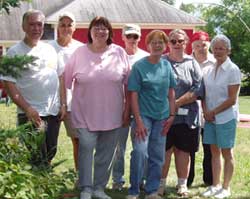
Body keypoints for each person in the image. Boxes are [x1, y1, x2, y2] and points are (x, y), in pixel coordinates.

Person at [63, 16, 130, 199]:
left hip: (113, 113)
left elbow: (129, 85)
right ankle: (86, 187)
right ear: (90, 31)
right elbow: (65, 79)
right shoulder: (79, 53)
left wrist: (127, 110)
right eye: (96, 28)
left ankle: (99, 188)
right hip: (84, 113)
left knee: (106, 153)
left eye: (104, 28)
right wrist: (63, 104)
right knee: (86, 147)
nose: (100, 31)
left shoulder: (119, 52)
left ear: (109, 32)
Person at [1, 10, 66, 165]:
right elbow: (9, 84)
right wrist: (27, 108)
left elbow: (60, 77)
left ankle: (43, 182)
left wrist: (63, 103)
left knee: (51, 151)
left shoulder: (50, 49)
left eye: (39, 25)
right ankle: (42, 185)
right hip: (31, 113)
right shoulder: (14, 52)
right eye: (32, 24)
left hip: (52, 112)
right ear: (23, 26)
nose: (36, 28)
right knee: (37, 154)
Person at [126, 30, 176, 199]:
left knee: (157, 155)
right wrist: (138, 121)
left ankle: (152, 190)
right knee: (140, 151)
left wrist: (172, 115)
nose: (157, 45)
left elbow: (171, 92)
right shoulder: (139, 66)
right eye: (153, 42)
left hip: (162, 117)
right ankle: (134, 189)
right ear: (147, 45)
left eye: (160, 42)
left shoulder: (166, 65)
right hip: (143, 116)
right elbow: (133, 94)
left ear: (165, 45)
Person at [158, 29, 202, 197]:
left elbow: (198, 88)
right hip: (163, 116)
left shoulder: (192, 63)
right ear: (168, 43)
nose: (177, 44)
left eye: (180, 41)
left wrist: (176, 103)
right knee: (164, 151)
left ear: (186, 43)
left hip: (187, 116)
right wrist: (168, 106)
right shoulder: (161, 61)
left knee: (183, 151)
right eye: (173, 41)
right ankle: (160, 184)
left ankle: (182, 184)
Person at [202, 34, 241, 199]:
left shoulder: (233, 70)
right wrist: (205, 111)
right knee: (214, 152)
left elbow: (232, 99)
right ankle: (215, 185)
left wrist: (213, 112)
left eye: (221, 48)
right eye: (215, 48)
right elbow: (203, 94)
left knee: (227, 153)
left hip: (225, 118)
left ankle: (226, 188)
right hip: (210, 118)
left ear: (228, 50)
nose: (217, 51)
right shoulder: (208, 69)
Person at [112, 23, 149, 191]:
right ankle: (117, 180)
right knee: (118, 148)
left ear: (140, 38)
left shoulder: (146, 57)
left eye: (135, 36)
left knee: (140, 149)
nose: (132, 40)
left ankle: (140, 179)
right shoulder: (115, 56)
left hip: (142, 110)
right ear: (123, 37)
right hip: (118, 109)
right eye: (129, 36)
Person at [49, 11, 83, 171]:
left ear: (74, 27)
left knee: (78, 140)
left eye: (69, 25)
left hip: (73, 103)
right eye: (62, 25)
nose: (66, 28)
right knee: (48, 141)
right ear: (58, 27)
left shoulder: (80, 48)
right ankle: (43, 173)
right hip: (50, 102)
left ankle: (79, 175)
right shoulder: (49, 47)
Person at [187, 31, 215, 187]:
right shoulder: (187, 62)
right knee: (189, 148)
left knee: (209, 148)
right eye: (197, 45)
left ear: (208, 45)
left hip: (210, 112)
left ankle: (209, 179)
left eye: (204, 45)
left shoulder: (216, 62)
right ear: (192, 47)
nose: (201, 48)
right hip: (191, 112)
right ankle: (187, 180)